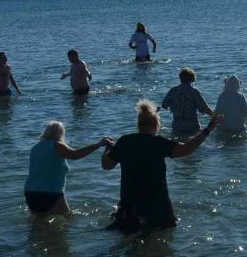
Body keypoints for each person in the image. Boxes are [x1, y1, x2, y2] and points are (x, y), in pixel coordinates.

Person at [102, 100, 221, 234]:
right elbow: (186, 149)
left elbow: (106, 165)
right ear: (157, 125)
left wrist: (108, 148)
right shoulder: (159, 143)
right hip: (158, 208)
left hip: (130, 207)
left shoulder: (125, 141)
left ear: (139, 125)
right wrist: (208, 129)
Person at [24, 120, 113, 215]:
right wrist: (99, 144)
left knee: (37, 224)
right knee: (67, 220)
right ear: (60, 134)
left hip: (30, 192)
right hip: (51, 192)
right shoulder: (56, 145)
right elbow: (75, 155)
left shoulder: (35, 148)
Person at [161, 67, 215, 135]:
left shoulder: (173, 90)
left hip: (177, 126)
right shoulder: (194, 92)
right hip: (192, 126)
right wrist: (214, 115)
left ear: (180, 78)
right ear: (192, 78)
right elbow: (204, 108)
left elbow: (164, 105)